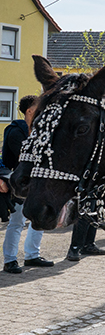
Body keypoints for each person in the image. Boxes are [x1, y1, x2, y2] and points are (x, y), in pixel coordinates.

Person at [2, 96, 55, 274]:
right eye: (40, 107)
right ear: (30, 111)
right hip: (20, 184)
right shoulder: (16, 132)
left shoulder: (41, 130)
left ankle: (32, 255)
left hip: (39, 182)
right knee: (17, 222)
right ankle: (10, 260)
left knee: (38, 220)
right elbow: (25, 158)